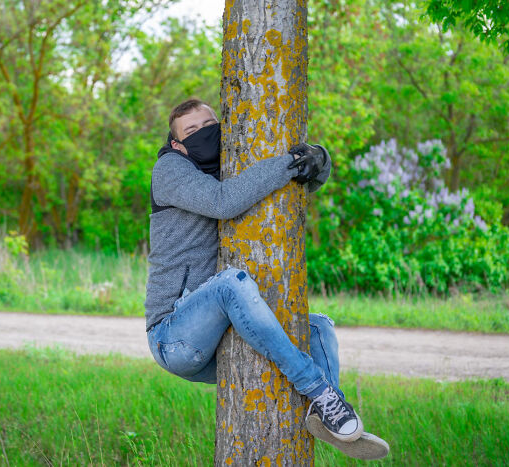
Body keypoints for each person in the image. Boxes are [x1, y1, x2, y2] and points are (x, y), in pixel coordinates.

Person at [144, 98, 389, 460]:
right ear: (177, 143)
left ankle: (324, 419)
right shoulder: (170, 169)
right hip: (174, 336)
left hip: (216, 337)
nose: (204, 135)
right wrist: (289, 163)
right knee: (231, 282)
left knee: (318, 327)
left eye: (210, 124)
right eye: (192, 131)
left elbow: (282, 186)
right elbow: (224, 202)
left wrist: (318, 160)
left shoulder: (225, 164)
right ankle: (320, 391)